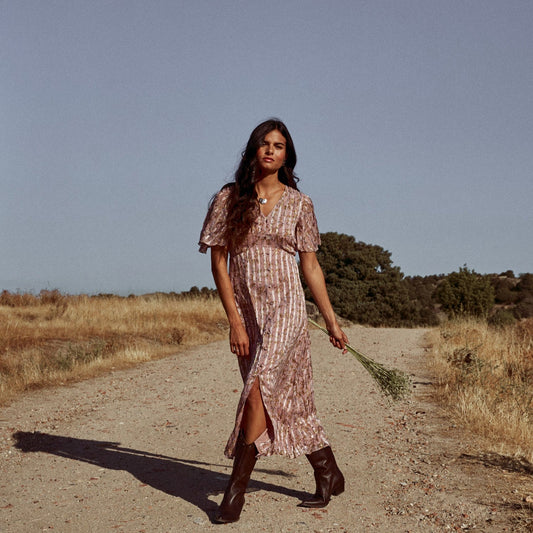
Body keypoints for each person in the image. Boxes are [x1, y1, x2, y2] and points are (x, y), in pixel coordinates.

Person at [199, 118, 349, 524]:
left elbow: (311, 267)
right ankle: (327, 470)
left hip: (287, 309)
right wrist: (234, 320)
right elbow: (218, 262)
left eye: (279, 145)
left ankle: (234, 493)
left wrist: (331, 321)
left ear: (287, 155)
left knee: (257, 390)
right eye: (264, 143)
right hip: (248, 312)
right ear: (253, 150)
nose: (271, 150)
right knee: (283, 399)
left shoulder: (301, 204)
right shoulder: (229, 199)